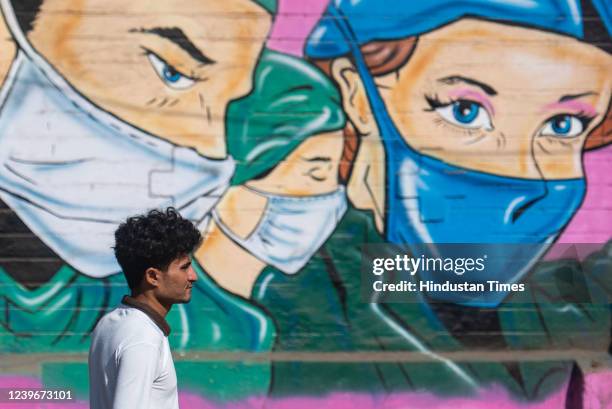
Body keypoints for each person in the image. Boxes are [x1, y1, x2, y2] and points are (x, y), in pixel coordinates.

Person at [201, 0, 611, 404]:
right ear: (357, 94)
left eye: (564, 124)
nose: (526, 172)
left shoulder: (512, 294)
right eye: (465, 110)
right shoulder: (309, 299)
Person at [0, 0, 277, 401]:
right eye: (173, 71)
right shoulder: (141, 338)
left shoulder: (118, 324)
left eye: (225, 104)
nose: (211, 148)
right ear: (10, 36)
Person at [89, 208, 201, 409]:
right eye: (184, 267)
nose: (193, 276)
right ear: (152, 276)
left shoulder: (109, 323)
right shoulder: (143, 338)